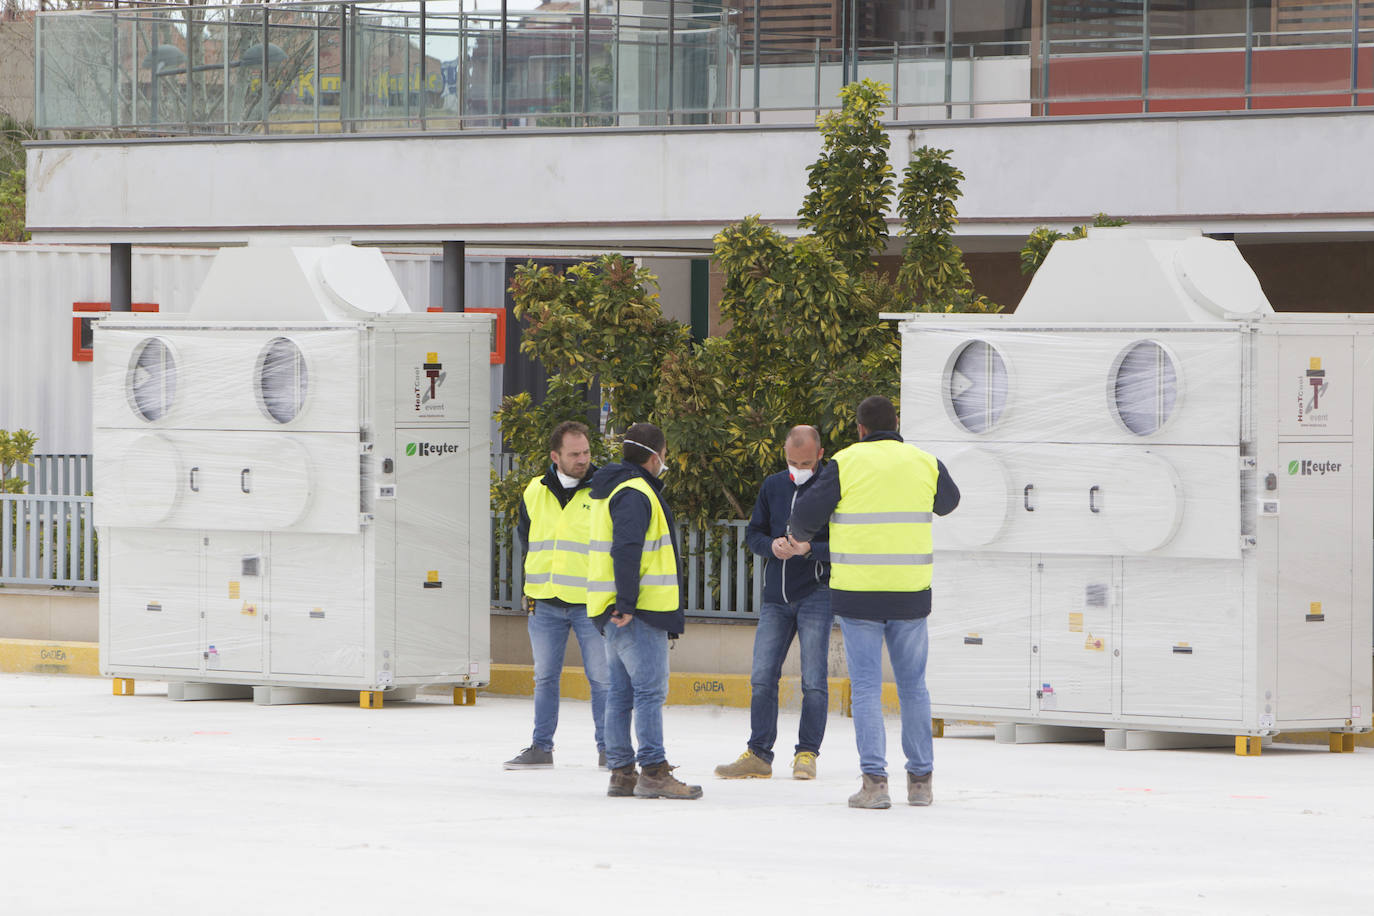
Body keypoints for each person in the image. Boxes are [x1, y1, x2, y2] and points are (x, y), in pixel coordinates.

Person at [788, 396, 959, 809]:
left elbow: (802, 522)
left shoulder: (844, 465)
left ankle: (875, 785)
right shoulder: (924, 462)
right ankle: (921, 783)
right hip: (910, 594)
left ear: (860, 428)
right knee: (913, 687)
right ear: (896, 422)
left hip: (859, 594)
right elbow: (949, 503)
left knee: (866, 689)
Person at [586, 422, 702, 800]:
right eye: (664, 455)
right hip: (639, 613)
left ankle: (621, 773)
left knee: (620, 693)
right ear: (655, 456)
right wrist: (628, 603)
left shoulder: (611, 489)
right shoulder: (636, 492)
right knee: (649, 692)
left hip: (613, 611)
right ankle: (653, 770)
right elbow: (627, 547)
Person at [714, 425, 833, 781]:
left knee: (813, 679)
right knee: (762, 677)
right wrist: (772, 547)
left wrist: (810, 549)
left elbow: (847, 544)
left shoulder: (831, 489)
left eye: (806, 462)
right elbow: (754, 533)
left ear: (820, 455)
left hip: (816, 594)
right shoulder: (773, 485)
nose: (799, 468)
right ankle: (759, 754)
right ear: (784, 454)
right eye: (792, 461)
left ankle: (807, 753)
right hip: (774, 599)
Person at [504, 421, 611, 770]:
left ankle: (611, 750)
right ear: (556, 456)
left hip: (590, 604)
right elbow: (527, 538)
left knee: (601, 679)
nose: (583, 460)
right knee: (545, 678)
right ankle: (541, 748)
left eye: (586, 452)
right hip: (544, 602)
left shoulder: (603, 490)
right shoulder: (534, 490)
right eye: (574, 454)